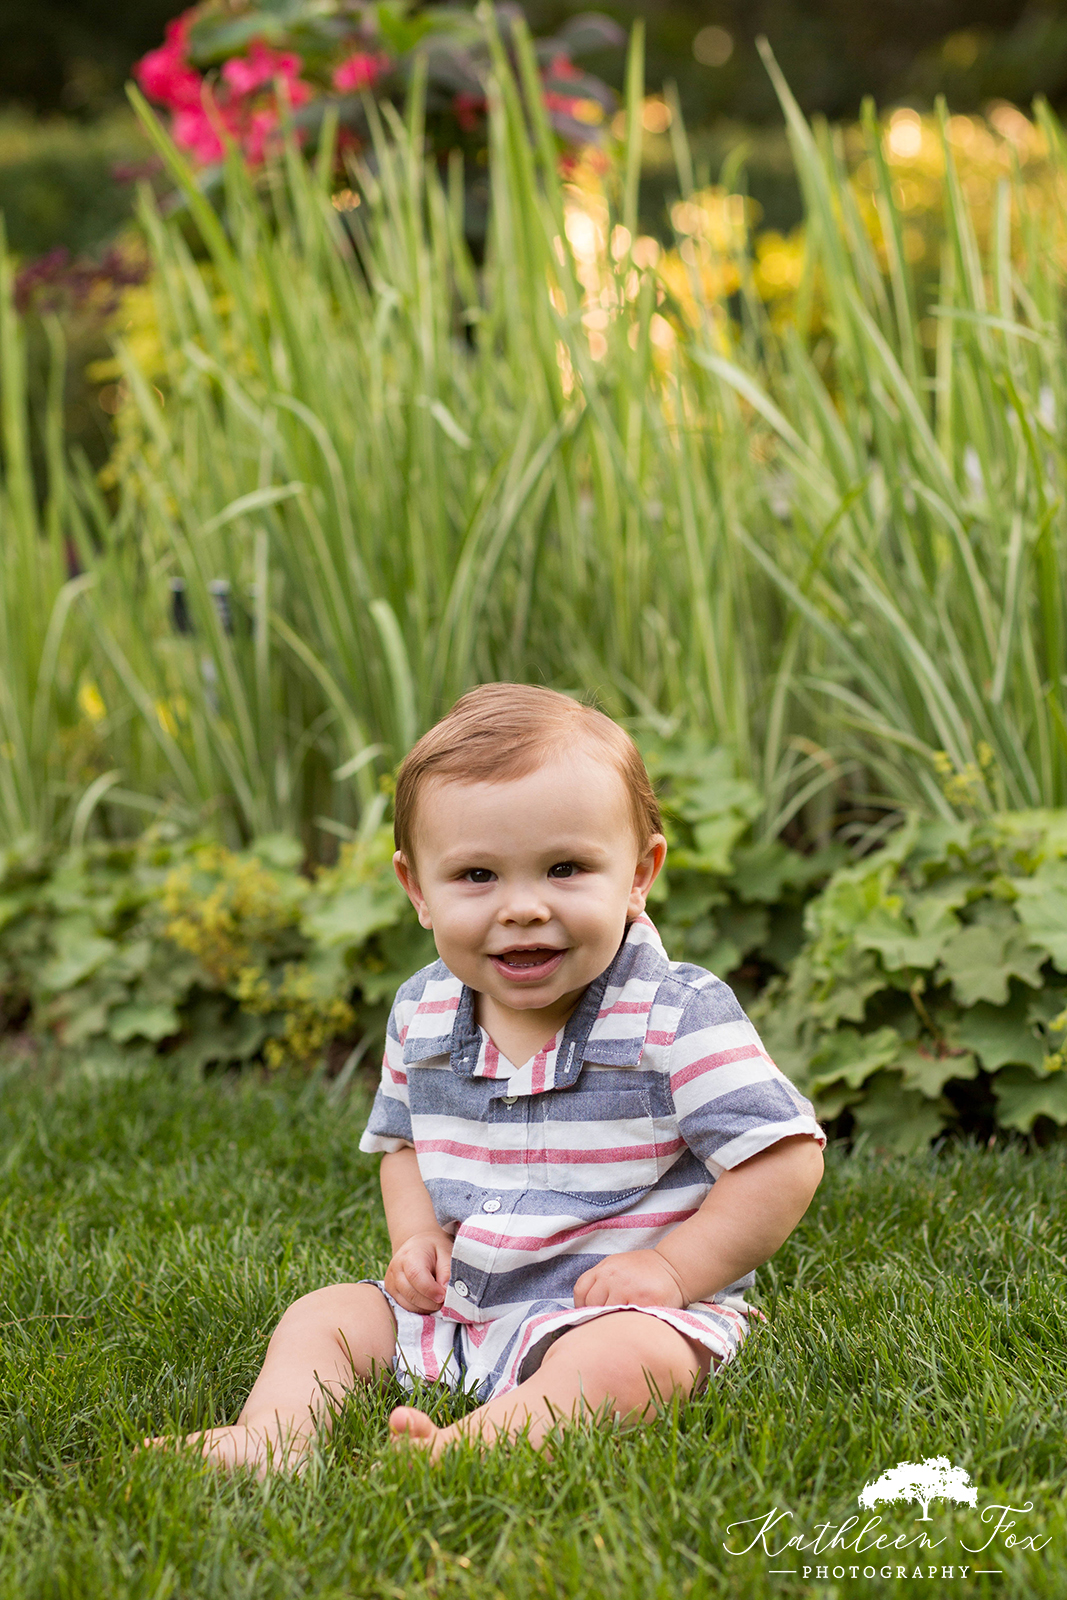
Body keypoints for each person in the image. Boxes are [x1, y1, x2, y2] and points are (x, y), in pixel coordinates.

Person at [148, 683, 824, 1469]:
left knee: (630, 1364)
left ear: (640, 874)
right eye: (476, 876)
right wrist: (417, 1237)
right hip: (463, 1306)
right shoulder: (422, 1012)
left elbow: (782, 1156)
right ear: (417, 890)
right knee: (324, 1315)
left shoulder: (674, 1014)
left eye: (565, 868)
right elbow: (401, 1143)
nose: (523, 908)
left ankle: (475, 1449)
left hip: (616, 1307)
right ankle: (273, 1436)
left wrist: (673, 1269)